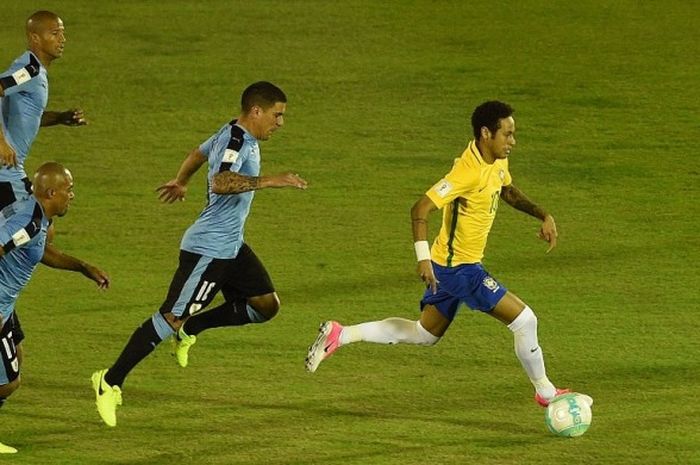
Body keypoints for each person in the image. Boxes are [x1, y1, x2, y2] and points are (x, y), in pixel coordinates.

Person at [305, 101, 592, 409]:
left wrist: (542, 215)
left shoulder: (495, 160)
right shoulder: (466, 173)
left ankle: (341, 334)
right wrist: (422, 257)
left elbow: (506, 189)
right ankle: (547, 394)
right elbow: (420, 209)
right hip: (460, 270)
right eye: (507, 135)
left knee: (424, 334)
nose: (513, 142)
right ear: (486, 133)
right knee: (525, 321)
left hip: (450, 266)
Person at [92, 81, 307, 427]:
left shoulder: (232, 132)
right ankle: (110, 380)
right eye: (276, 115)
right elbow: (220, 182)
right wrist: (269, 181)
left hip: (231, 245)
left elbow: (197, 153)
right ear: (255, 111)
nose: (280, 123)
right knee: (170, 316)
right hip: (209, 250)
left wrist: (180, 181)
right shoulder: (236, 140)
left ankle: (193, 327)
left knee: (266, 305)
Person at [0, 10, 88, 416]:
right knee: (35, 229)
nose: (62, 39)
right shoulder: (29, 69)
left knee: (36, 235)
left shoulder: (37, 74)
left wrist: (60, 119)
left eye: (63, 33)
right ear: (34, 38)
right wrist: (0, 140)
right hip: (4, 176)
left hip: (9, 173)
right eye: (54, 33)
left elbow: (26, 117)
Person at [0, 162, 109, 453]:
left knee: (17, 355)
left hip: (7, 306)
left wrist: (83, 267)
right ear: (51, 192)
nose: (72, 195)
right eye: (68, 190)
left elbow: (37, 250)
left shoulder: (35, 216)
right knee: (8, 384)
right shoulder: (30, 221)